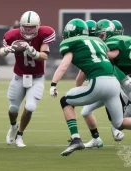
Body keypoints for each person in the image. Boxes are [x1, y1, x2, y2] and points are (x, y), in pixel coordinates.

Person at [50, 18, 131, 156]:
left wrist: (53, 84)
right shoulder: (99, 42)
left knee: (65, 101)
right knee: (119, 123)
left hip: (99, 83)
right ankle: (95, 139)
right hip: (114, 83)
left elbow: (64, 66)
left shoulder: (72, 43)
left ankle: (76, 139)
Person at [0, 11, 55, 147]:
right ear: (20, 25)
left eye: (32, 27)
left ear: (38, 26)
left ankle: (20, 135)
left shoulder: (44, 33)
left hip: (37, 78)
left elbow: (44, 56)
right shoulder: (12, 35)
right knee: (13, 109)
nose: (28, 29)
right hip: (19, 77)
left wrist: (32, 51)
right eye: (25, 26)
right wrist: (8, 49)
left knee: (30, 107)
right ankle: (13, 127)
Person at [79, 19, 131, 147]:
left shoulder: (112, 44)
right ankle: (96, 139)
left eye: (101, 35)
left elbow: (112, 55)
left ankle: (115, 127)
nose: (99, 38)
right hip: (110, 86)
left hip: (121, 84)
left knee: (120, 119)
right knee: (85, 111)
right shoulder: (121, 42)